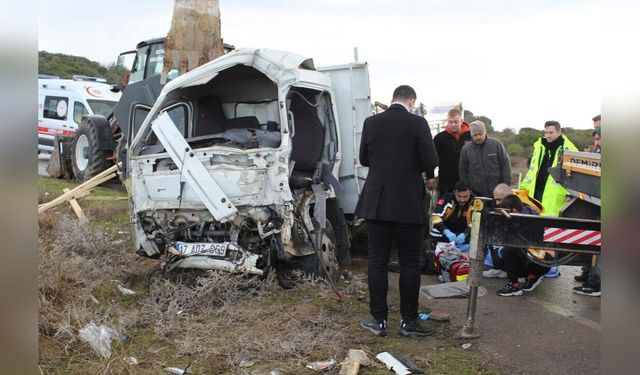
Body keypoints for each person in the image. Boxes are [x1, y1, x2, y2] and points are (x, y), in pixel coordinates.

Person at [355, 85, 437, 337]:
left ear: (393, 99)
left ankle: (378, 319)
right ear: (411, 101)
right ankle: (408, 321)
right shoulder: (418, 123)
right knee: (410, 263)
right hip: (408, 203)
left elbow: (364, 159)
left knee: (377, 261)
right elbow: (430, 161)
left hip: (377, 202)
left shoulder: (371, 122)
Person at [496, 195, 551, 297]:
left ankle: (514, 285)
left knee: (509, 250)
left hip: (540, 262)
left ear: (514, 210)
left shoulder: (525, 221)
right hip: (541, 262)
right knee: (504, 252)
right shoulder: (528, 214)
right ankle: (532, 277)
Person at [519, 120, 578, 216]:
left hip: (555, 195)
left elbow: (573, 176)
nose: (548, 135)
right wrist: (523, 189)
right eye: (546, 132)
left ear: (559, 132)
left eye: (551, 133)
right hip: (535, 192)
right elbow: (532, 171)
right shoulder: (539, 147)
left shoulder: (570, 150)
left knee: (551, 225)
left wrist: (570, 194)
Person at [458, 120, 511, 197]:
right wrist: (467, 188)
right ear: (471, 135)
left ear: (485, 132)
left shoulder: (496, 144)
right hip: (476, 194)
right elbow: (462, 170)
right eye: (475, 135)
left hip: (498, 193)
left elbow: (505, 164)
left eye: (480, 134)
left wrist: (505, 185)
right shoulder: (466, 149)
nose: (478, 137)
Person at [427, 108, 471, 196]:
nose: (453, 124)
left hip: (468, 181)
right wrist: (430, 176)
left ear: (461, 121)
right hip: (446, 183)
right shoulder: (439, 138)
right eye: (450, 122)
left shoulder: (470, 136)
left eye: (456, 122)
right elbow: (431, 157)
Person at [429, 181, 474, 245]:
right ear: (455, 192)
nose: (462, 200)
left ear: (470, 192)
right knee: (435, 230)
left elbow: (476, 222)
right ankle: (433, 251)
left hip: (465, 233)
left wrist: (465, 234)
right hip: (447, 232)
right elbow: (435, 216)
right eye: (459, 196)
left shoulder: (475, 202)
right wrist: (446, 231)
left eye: (465, 196)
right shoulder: (448, 198)